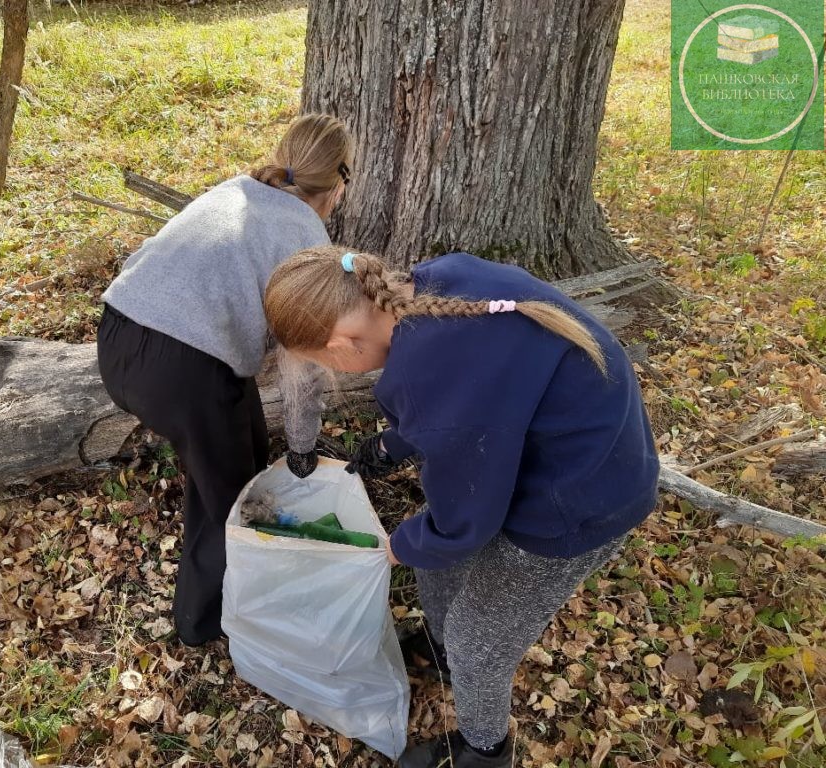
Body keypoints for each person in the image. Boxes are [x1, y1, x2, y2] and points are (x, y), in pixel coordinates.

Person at [263, 246, 660, 767]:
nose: (336, 372)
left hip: (577, 504)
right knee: (436, 567)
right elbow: (475, 397)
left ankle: (483, 750)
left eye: (325, 363)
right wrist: (393, 445)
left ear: (341, 342)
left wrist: (401, 546)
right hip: (569, 450)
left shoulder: (428, 376)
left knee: (479, 645)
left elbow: (466, 521)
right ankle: (439, 647)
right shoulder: (439, 281)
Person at [97, 115, 353, 647]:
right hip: (182, 369)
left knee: (245, 452)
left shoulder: (237, 188)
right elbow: (301, 364)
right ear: (338, 181)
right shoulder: (306, 234)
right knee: (235, 501)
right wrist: (304, 449)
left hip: (117, 336)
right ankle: (205, 623)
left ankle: (231, 581)